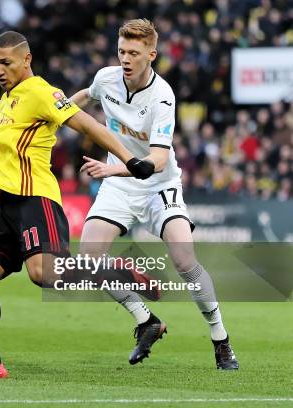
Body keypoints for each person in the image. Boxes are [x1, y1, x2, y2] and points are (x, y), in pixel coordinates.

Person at [0, 31, 155, 378]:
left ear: (26, 60)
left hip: (34, 200)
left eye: (6, 62)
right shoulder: (11, 98)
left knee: (44, 275)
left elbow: (87, 123)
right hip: (6, 207)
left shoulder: (41, 92)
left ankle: (118, 270)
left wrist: (130, 160)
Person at [71, 19, 238, 369]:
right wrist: (53, 113)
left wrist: (111, 168)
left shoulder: (163, 96)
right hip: (119, 183)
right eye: (121, 52)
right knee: (87, 259)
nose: (126, 59)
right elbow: (85, 97)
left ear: (151, 55)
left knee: (183, 260)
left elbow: (157, 161)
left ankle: (221, 341)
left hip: (157, 184)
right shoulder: (107, 78)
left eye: (133, 53)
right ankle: (146, 320)